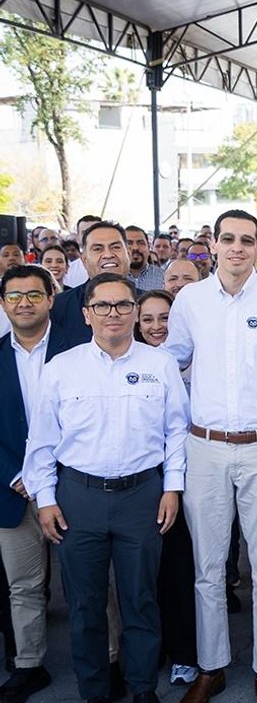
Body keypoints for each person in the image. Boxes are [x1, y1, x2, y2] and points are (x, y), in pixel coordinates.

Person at [165, 210, 257, 703]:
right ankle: (212, 667)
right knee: (208, 569)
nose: (236, 247)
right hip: (203, 447)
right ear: (214, 246)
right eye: (227, 239)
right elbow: (172, 361)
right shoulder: (189, 299)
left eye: (247, 240)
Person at [23, 273, 188, 703]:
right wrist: (45, 500)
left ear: (135, 312)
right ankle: (93, 691)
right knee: (85, 606)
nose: (113, 314)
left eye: (122, 305)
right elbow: (40, 440)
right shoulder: (62, 368)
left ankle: (141, 689)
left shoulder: (160, 364)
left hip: (142, 498)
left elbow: (177, 432)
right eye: (102, 306)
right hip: (78, 498)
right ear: (86, 314)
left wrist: (172, 489)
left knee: (140, 601)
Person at [0, 265, 74, 702]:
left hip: (69, 485)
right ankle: (28, 665)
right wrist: (20, 475)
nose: (24, 303)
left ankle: (108, 657)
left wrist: (50, 473)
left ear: (51, 298)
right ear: (4, 303)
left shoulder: (79, 349)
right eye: (14, 296)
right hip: (11, 490)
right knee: (23, 584)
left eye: (33, 294)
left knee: (91, 582)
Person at [133, 289, 200, 686]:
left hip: (194, 474)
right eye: (149, 320)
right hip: (146, 477)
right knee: (145, 570)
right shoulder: (137, 364)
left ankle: (186, 652)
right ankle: (151, 647)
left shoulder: (199, 362)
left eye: (165, 318)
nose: (158, 327)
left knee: (183, 569)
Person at [50, 222, 133, 346]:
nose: (108, 255)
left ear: (129, 254)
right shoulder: (59, 307)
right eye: (98, 249)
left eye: (115, 247)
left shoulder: (149, 303)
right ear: (84, 260)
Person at [125, 226, 165, 292]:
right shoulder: (114, 278)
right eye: (129, 243)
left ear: (149, 248)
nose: (135, 248)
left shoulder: (163, 277)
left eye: (141, 243)